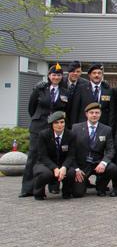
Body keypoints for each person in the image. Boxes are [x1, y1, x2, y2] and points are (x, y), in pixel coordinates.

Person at [20, 63, 70, 198]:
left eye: (59, 75)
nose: (56, 77)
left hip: (56, 129)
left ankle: (54, 186)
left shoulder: (66, 92)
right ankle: (28, 188)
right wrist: (40, 119)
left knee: (55, 155)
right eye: (53, 75)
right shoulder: (40, 89)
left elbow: (66, 111)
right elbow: (31, 108)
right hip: (39, 127)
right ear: (49, 76)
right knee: (33, 156)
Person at [70, 103, 117, 197]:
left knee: (112, 167)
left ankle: (101, 186)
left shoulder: (106, 129)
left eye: (97, 113)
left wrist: (104, 163)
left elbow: (110, 150)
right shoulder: (76, 128)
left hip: (97, 163)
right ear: (86, 114)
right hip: (82, 165)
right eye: (91, 113)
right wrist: (76, 168)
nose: (94, 115)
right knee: (78, 193)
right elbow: (71, 151)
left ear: (100, 114)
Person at [31, 111, 77, 200]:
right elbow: (42, 156)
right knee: (45, 174)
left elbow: (71, 155)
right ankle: (38, 193)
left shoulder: (71, 135)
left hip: (62, 163)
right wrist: (54, 168)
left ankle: (67, 192)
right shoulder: (44, 135)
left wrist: (64, 167)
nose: (59, 125)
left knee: (71, 172)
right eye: (56, 123)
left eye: (62, 122)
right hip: (45, 164)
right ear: (52, 124)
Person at [70, 62, 115, 128]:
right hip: (83, 126)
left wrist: (110, 128)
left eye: (99, 73)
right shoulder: (81, 89)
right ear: (89, 75)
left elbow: (111, 112)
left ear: (102, 75)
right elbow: (75, 110)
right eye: (94, 73)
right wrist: (73, 127)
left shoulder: (108, 90)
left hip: (102, 127)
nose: (97, 75)